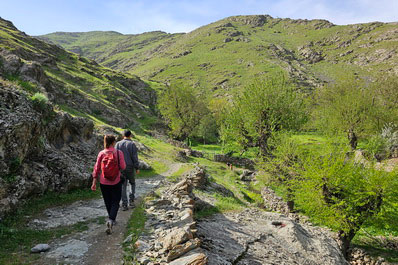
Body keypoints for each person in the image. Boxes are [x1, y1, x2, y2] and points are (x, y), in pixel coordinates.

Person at [91, 135, 126, 234]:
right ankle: (111, 220)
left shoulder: (101, 153)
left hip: (103, 181)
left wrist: (94, 181)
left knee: (108, 201)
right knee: (115, 201)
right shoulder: (119, 153)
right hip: (116, 181)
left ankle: (111, 218)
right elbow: (123, 167)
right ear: (113, 142)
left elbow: (97, 168)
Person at [115, 130, 140, 211]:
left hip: (120, 168)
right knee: (132, 183)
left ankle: (124, 204)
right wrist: (137, 167)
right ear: (130, 135)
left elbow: (115, 156)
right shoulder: (132, 144)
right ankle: (131, 201)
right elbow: (134, 157)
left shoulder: (118, 144)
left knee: (123, 185)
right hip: (129, 167)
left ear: (123, 135)